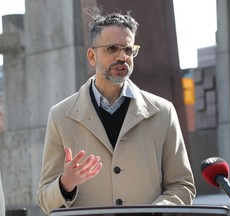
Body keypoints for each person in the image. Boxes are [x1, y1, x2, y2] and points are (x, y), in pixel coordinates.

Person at [37, 9, 196, 215]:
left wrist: (154, 212)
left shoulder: (163, 112)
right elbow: (44, 200)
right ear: (92, 56)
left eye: (128, 50)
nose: (122, 57)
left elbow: (182, 186)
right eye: (112, 48)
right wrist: (65, 184)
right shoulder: (60, 116)